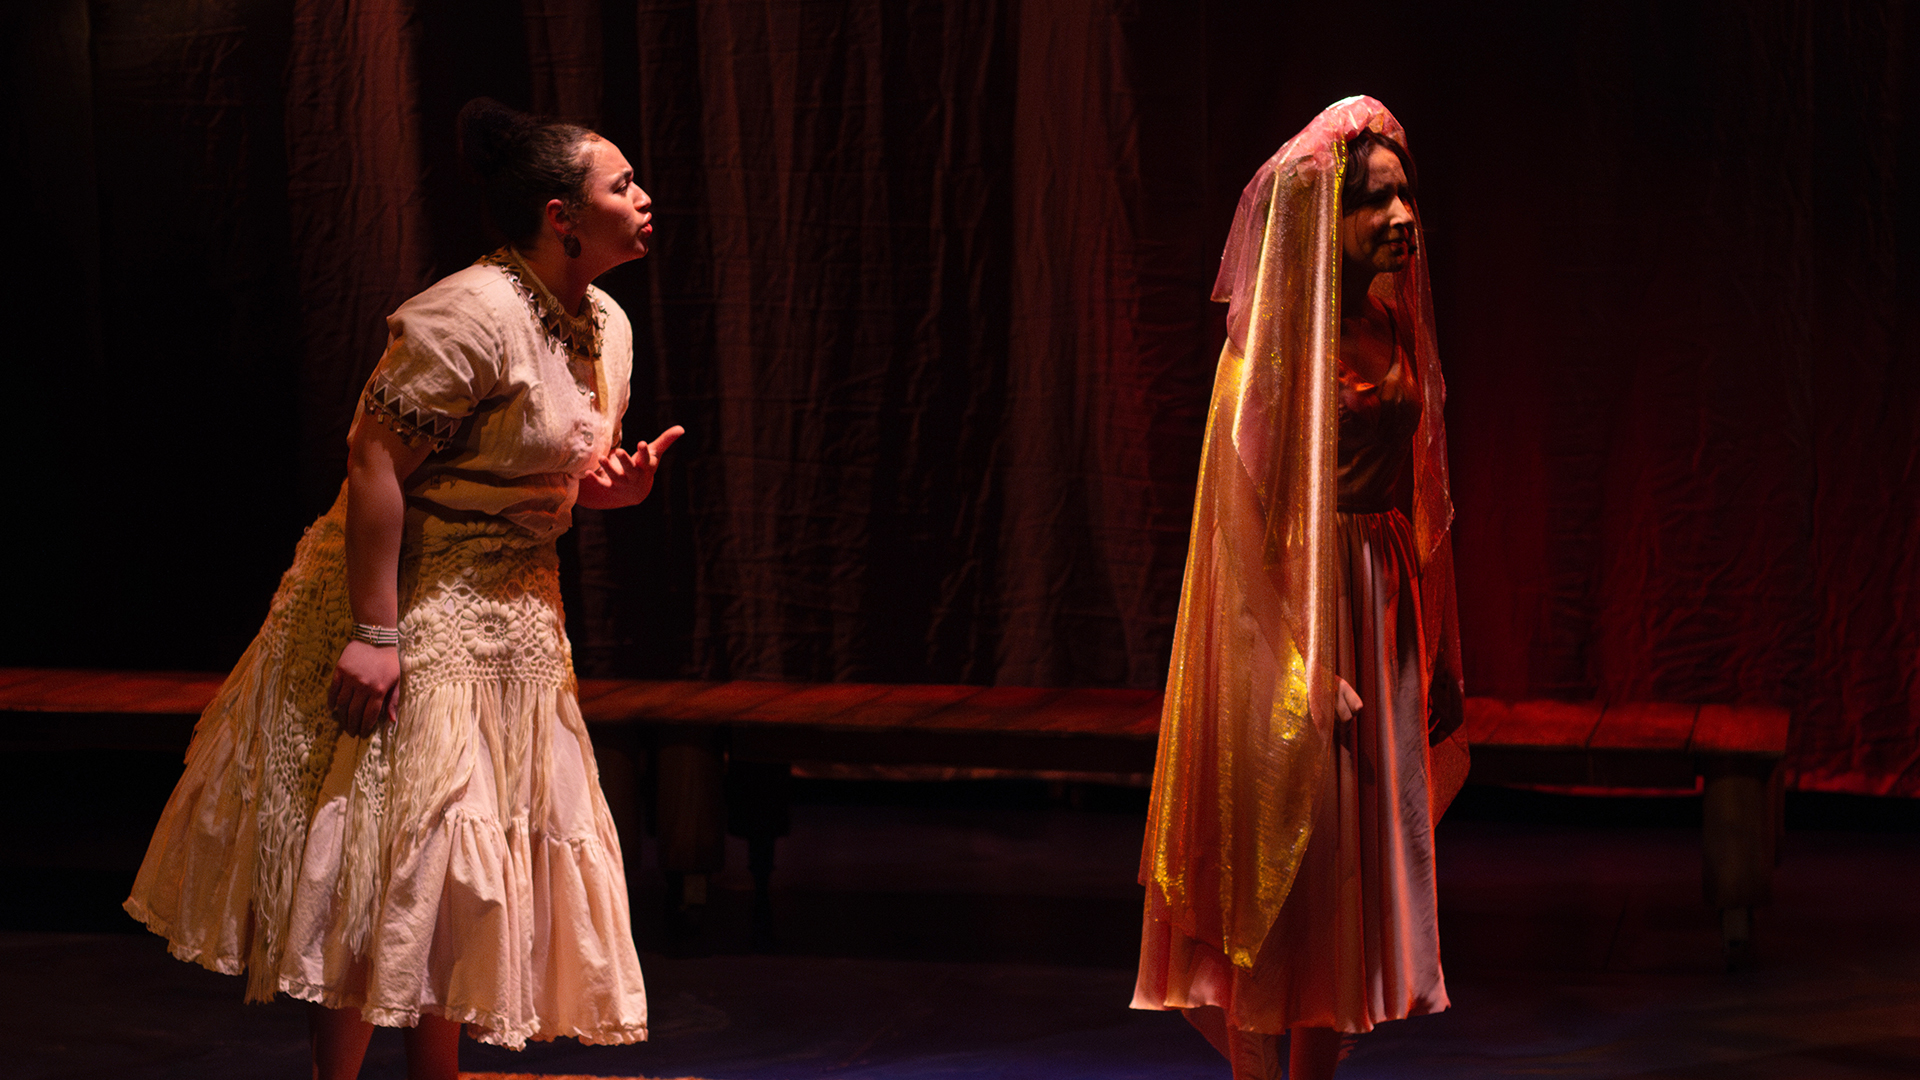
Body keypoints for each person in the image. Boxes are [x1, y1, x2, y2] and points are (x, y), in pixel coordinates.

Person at [124, 97, 679, 1080]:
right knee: (396, 852)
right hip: (414, 596)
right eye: (620, 184)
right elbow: (373, 462)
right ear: (561, 214)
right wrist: (376, 633)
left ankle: (439, 1072)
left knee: (466, 867)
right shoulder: (467, 314)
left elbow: (532, 468)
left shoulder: (606, 324)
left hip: (518, 614)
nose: (643, 197)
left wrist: (607, 492)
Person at [1132, 96, 1469, 1080]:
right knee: (1280, 888)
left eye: (1406, 194)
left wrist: (1435, 645)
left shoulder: (1388, 320)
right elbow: (1241, 530)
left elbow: (1423, 493)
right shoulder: (1271, 354)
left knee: (1354, 894)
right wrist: (1298, 666)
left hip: (1380, 609)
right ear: (1325, 220)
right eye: (1374, 201)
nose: (1401, 215)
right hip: (1295, 624)